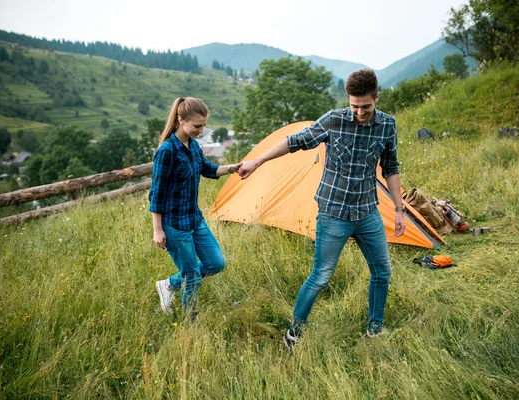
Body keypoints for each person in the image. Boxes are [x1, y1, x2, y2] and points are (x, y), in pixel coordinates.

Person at [238, 69, 406, 349]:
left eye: (366, 106)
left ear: (376, 97)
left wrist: (399, 209)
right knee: (321, 276)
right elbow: (295, 142)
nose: (360, 112)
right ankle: (293, 334)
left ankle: (375, 329)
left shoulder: (388, 126)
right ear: (347, 101)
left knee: (382, 272)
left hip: (367, 212)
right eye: (354, 106)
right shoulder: (334, 120)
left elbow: (391, 167)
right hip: (333, 213)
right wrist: (257, 161)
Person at [149, 96, 240, 318]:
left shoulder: (194, 146)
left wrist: (233, 168)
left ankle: (169, 284)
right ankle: (192, 324)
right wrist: (158, 229)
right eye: (197, 126)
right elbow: (156, 193)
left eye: (203, 126)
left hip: (194, 219)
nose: (201, 130)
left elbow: (208, 169)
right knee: (191, 274)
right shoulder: (167, 151)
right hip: (174, 225)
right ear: (181, 120)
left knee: (216, 263)